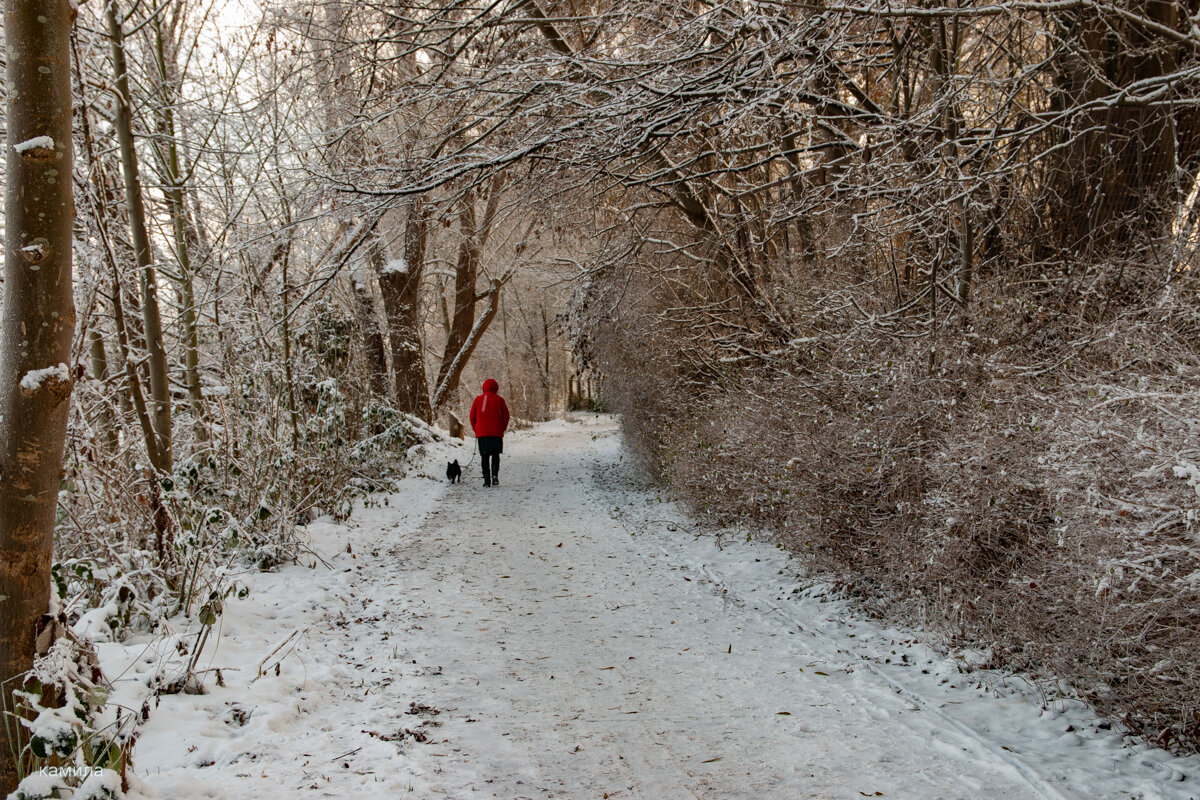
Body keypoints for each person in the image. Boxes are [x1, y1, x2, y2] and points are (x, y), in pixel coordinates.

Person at [468, 378, 510, 487]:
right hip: (496, 432)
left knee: (484, 457)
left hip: (482, 434)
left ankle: (486, 480)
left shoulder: (478, 400)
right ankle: (495, 476)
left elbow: (472, 416)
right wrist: (502, 427)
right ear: (496, 388)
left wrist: (475, 429)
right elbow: (506, 416)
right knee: (496, 455)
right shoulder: (500, 400)